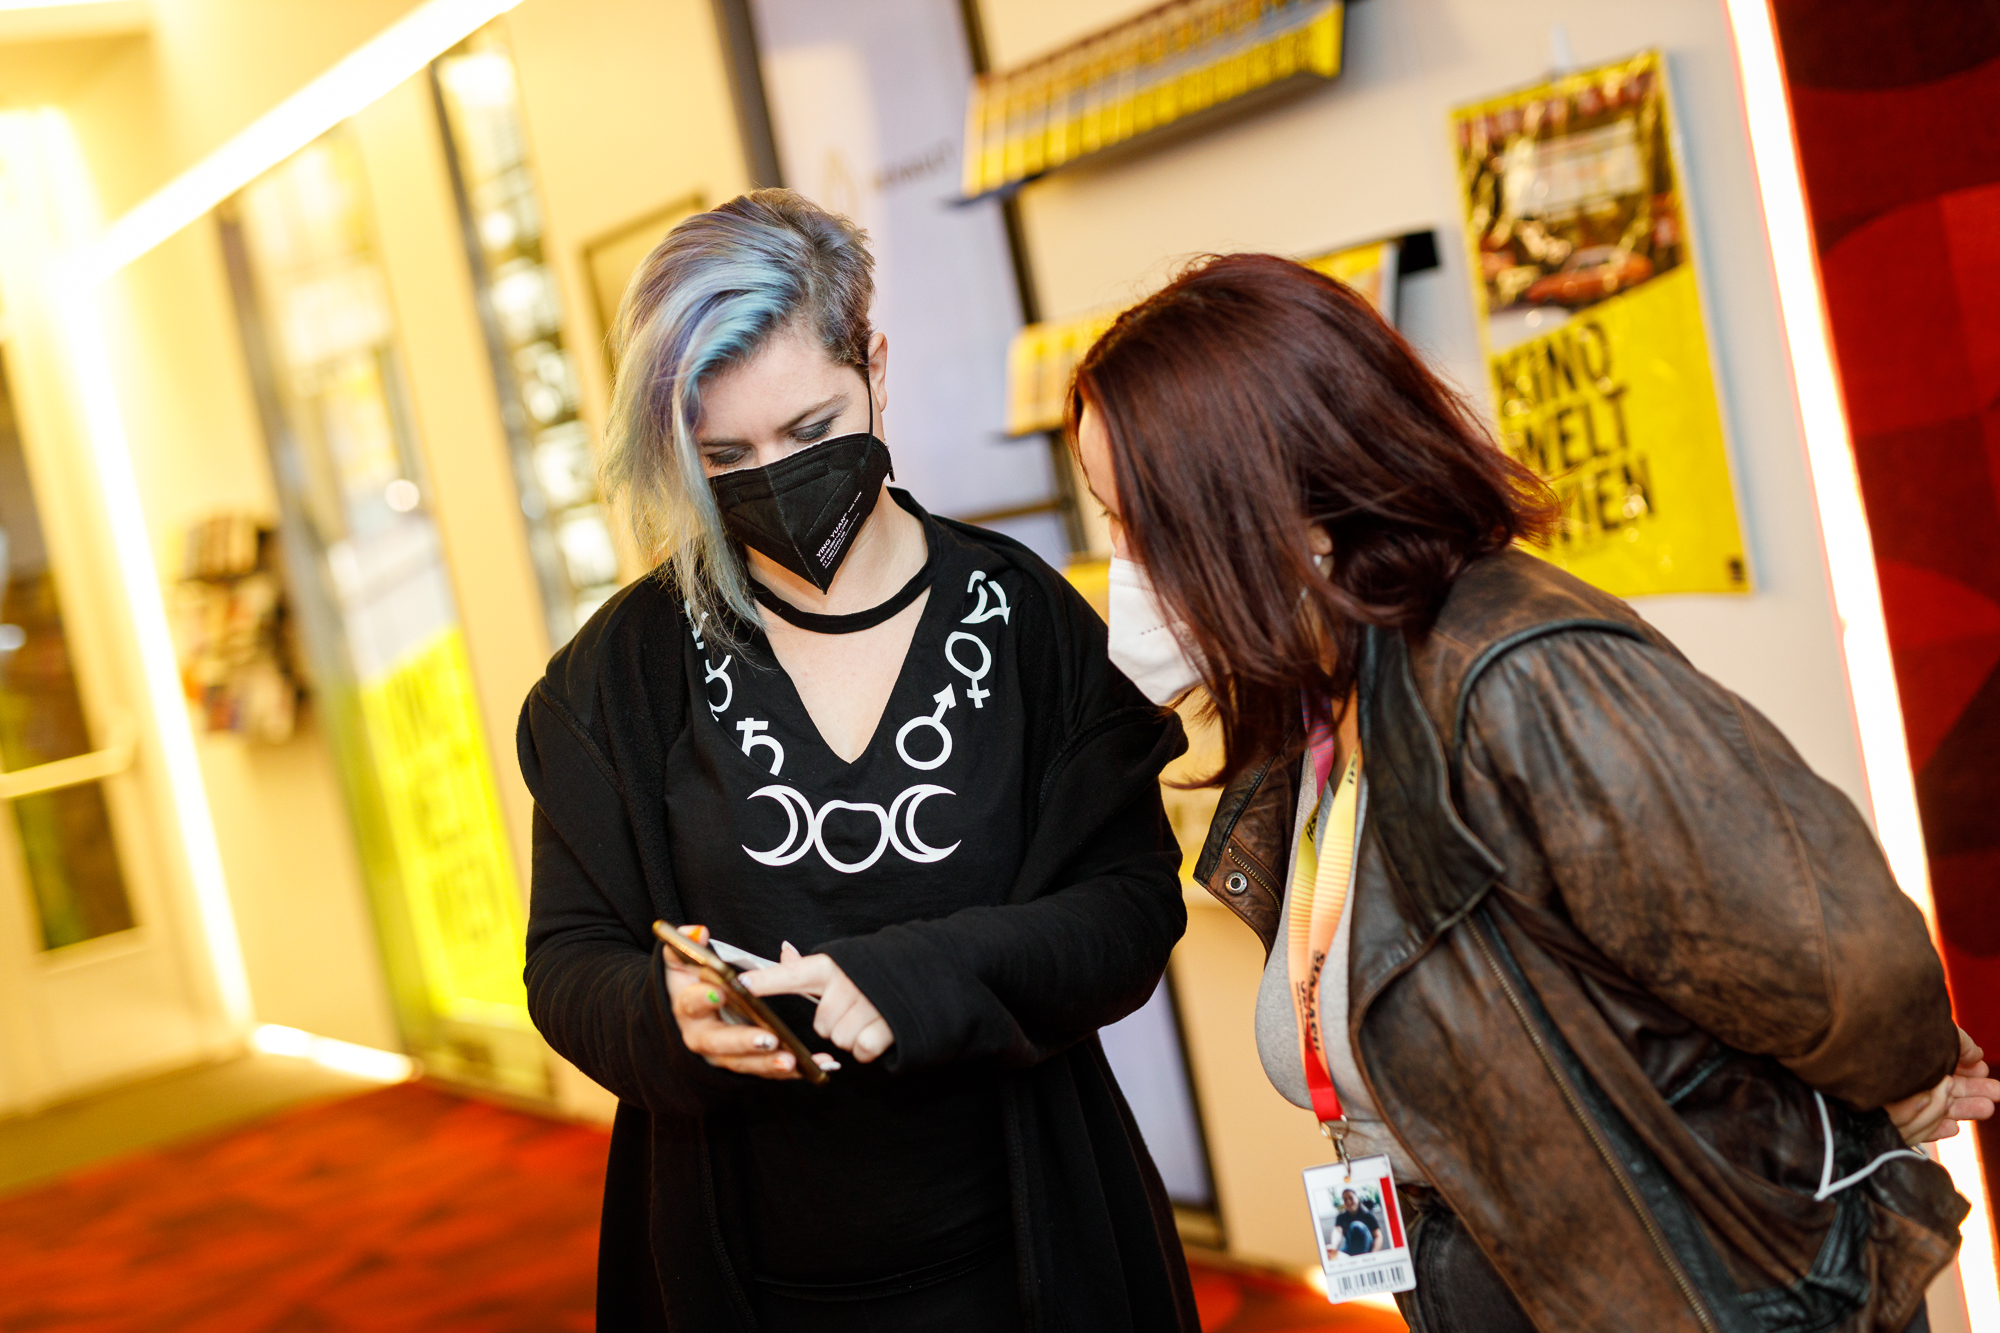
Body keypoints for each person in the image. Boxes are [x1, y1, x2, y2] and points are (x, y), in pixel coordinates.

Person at [1067, 251, 2000, 1333]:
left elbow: (1840, 962)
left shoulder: (1516, 676)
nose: (1123, 563)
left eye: (1140, 522)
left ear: (1269, 500)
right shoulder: (1324, 709)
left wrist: (1898, 1083)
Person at [516, 190, 1198, 1332]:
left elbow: (1128, 910)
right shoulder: (618, 677)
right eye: (724, 454)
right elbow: (566, 960)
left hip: (1029, 1258)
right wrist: (659, 1010)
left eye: (810, 430)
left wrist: (915, 975)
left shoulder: (1026, 622)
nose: (774, 475)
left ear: (874, 367)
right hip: (753, 1282)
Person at [1334, 1188, 1381, 1258]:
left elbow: (1378, 1236)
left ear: (1357, 1199)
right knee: (1336, 1256)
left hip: (1367, 1248)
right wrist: (1333, 1245)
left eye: (1351, 1198)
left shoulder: (1367, 1215)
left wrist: (1374, 1253)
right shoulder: (1341, 1217)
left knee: (1356, 1226)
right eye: (1345, 1200)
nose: (1348, 1201)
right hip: (1350, 1248)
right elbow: (1337, 1231)